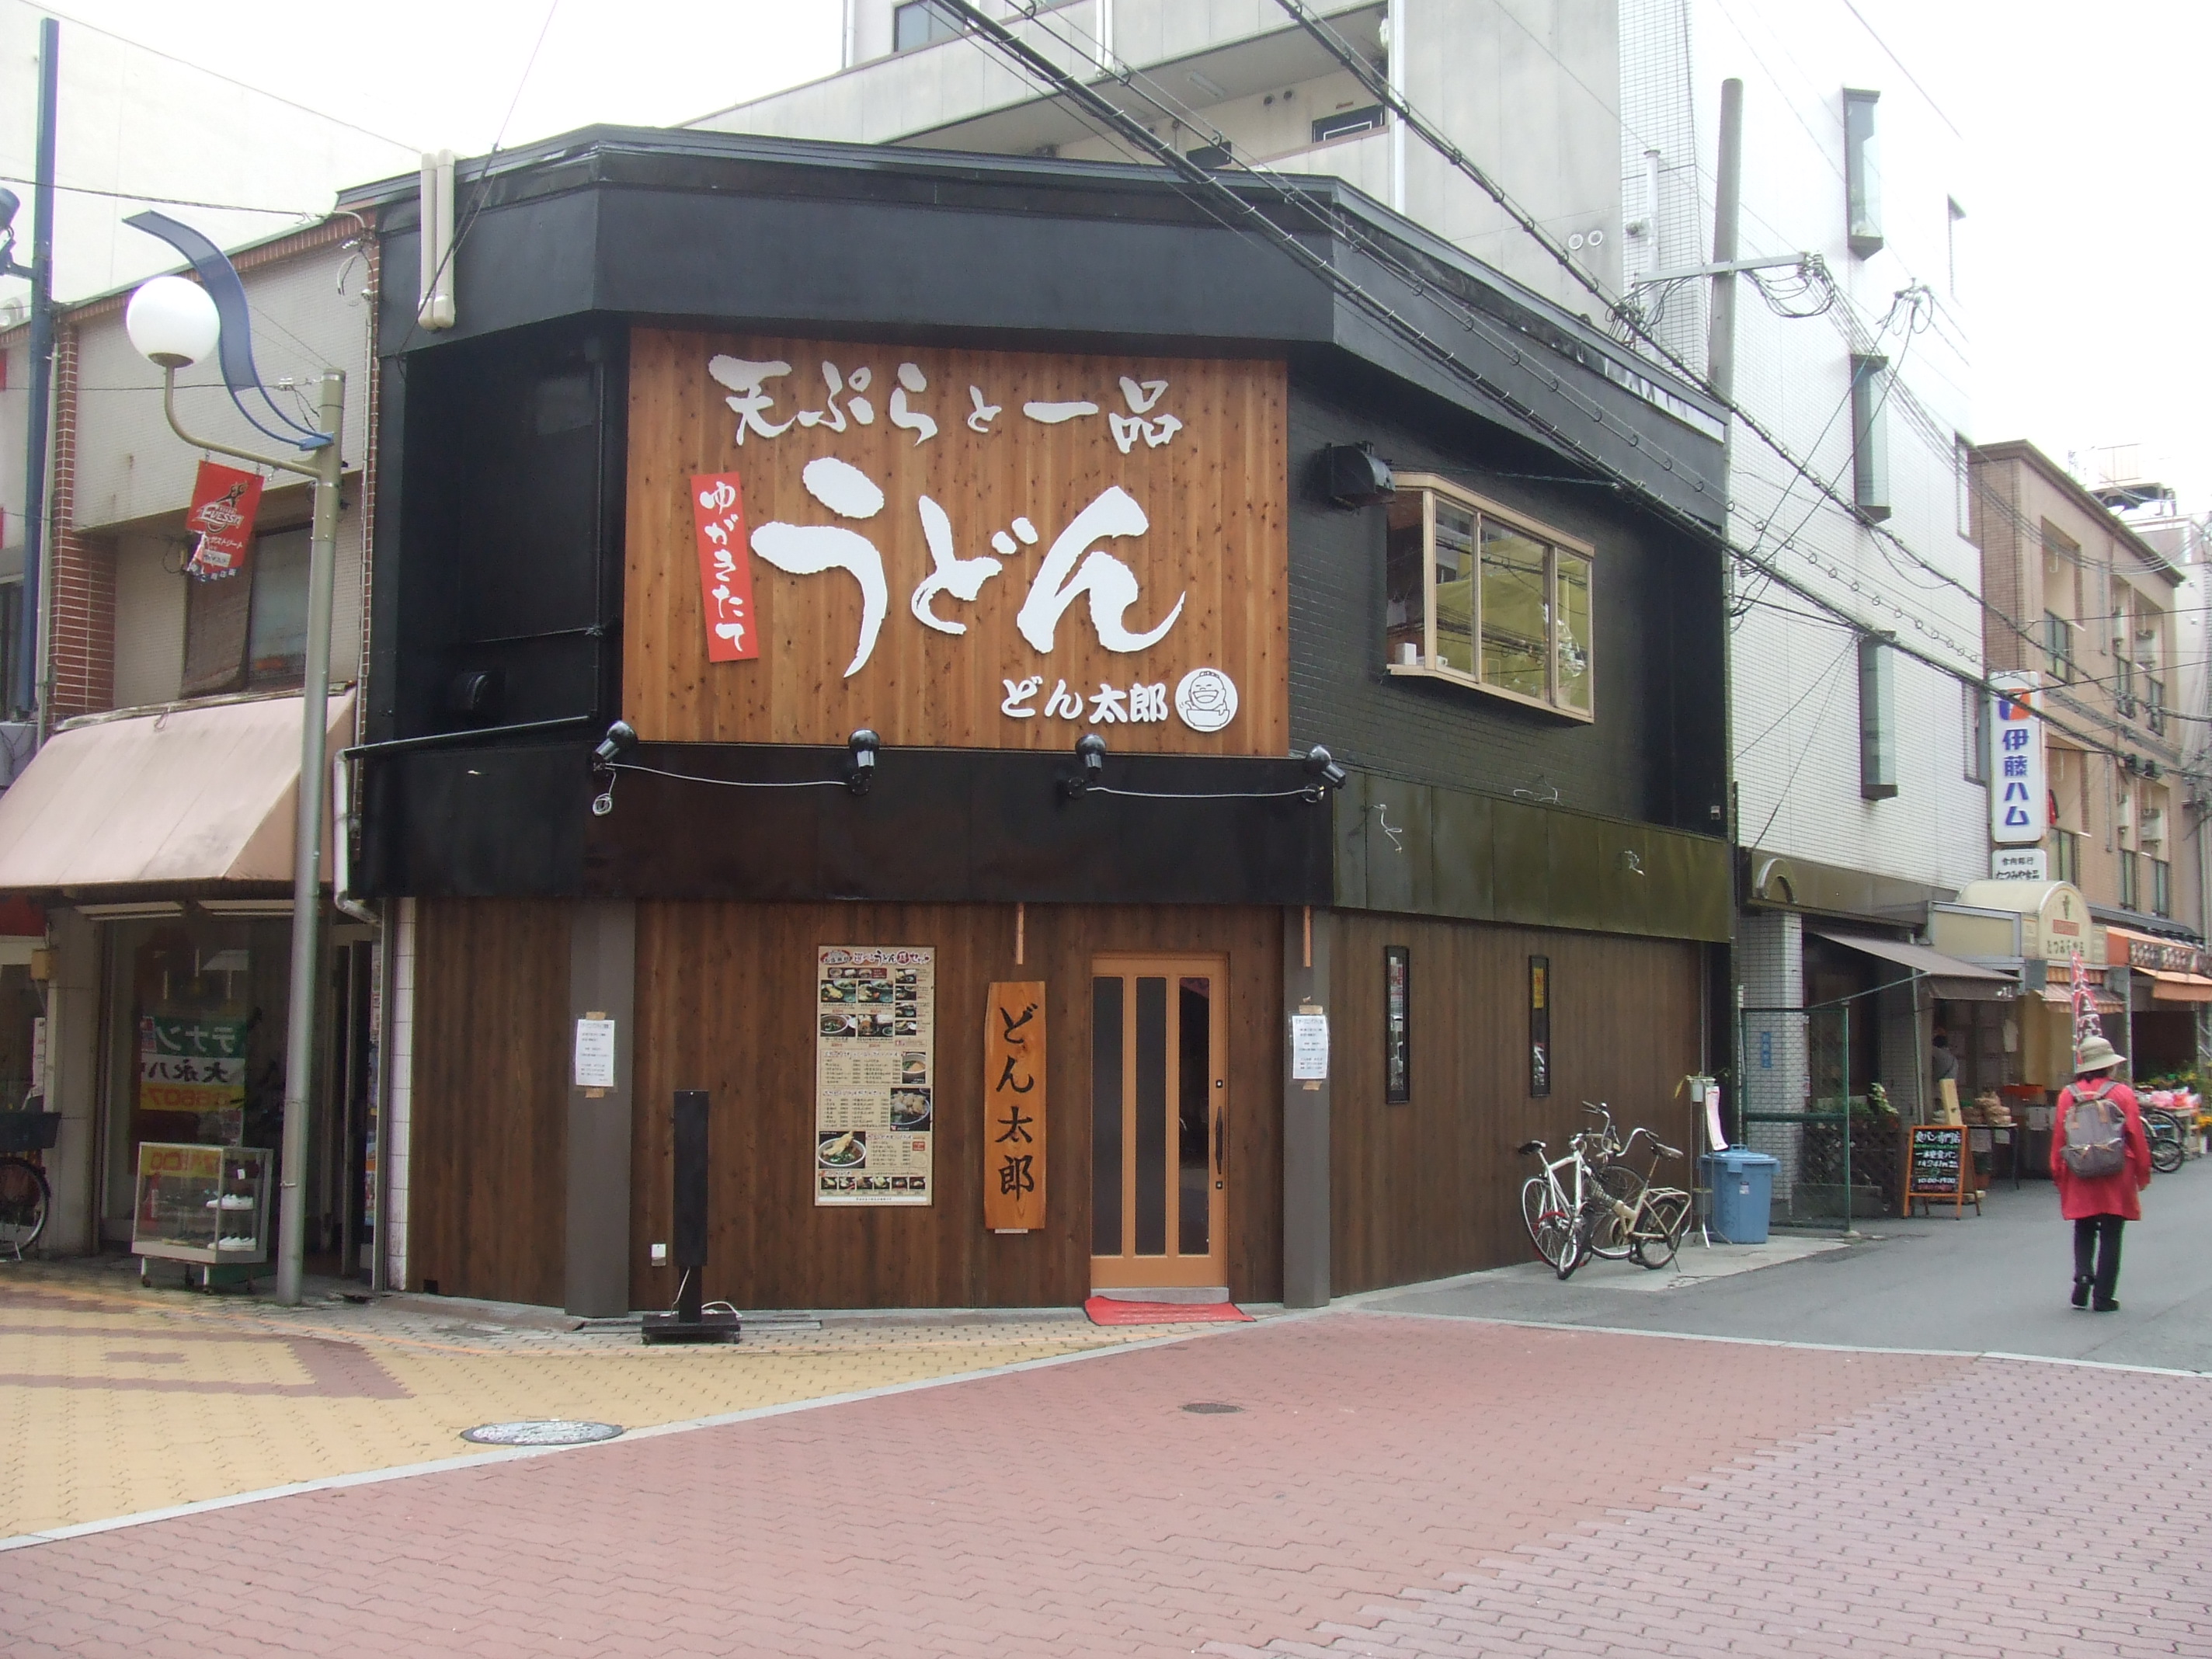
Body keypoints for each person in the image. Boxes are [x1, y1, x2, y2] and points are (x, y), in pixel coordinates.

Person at [2049, 1035, 2152, 1312]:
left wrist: (2058, 1170)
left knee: (2083, 1226)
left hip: (2079, 1167)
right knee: (2111, 1231)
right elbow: (2135, 1134)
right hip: (2116, 1169)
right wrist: (2143, 1172)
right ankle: (2104, 1296)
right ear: (2109, 1065)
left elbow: (2060, 1136)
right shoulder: (2122, 1093)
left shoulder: (2067, 1095)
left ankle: (2083, 1275)